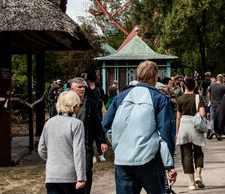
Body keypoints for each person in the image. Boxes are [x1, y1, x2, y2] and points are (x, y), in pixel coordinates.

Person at [102, 61, 177, 194]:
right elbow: (164, 134)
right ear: (155, 77)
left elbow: (106, 125)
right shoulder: (159, 98)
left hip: (123, 159)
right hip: (148, 158)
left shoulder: (121, 97)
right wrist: (169, 164)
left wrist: (117, 145)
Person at [39, 90, 86, 194]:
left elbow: (41, 149)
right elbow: (79, 152)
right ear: (74, 106)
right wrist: (81, 177)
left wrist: (54, 159)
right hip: (71, 177)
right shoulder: (76, 124)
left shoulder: (49, 123)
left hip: (52, 175)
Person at [69, 77, 108, 193]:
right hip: (69, 144)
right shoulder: (67, 103)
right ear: (72, 89)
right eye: (79, 87)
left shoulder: (90, 103)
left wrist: (102, 140)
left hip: (86, 143)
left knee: (86, 171)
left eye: (83, 87)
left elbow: (97, 122)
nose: (82, 89)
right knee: (71, 172)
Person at [176, 77, 207, 190]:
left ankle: (191, 182)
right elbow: (202, 113)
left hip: (184, 126)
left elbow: (178, 117)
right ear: (194, 86)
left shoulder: (180, 99)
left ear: (184, 86)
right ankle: (199, 174)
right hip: (195, 126)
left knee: (186, 154)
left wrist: (177, 132)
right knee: (198, 151)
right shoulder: (198, 97)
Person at [208, 74, 225, 140]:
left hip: (213, 104)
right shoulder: (223, 87)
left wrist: (210, 100)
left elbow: (209, 94)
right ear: (222, 79)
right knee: (220, 120)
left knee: (212, 118)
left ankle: (212, 131)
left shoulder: (212, 85)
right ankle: (219, 134)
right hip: (220, 105)